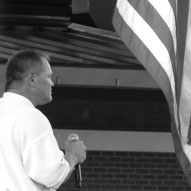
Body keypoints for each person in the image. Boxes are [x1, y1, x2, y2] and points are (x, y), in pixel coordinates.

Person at [0, 49, 87, 191]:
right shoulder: (31, 117)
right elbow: (52, 175)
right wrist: (73, 156)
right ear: (32, 79)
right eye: (48, 77)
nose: (52, 83)